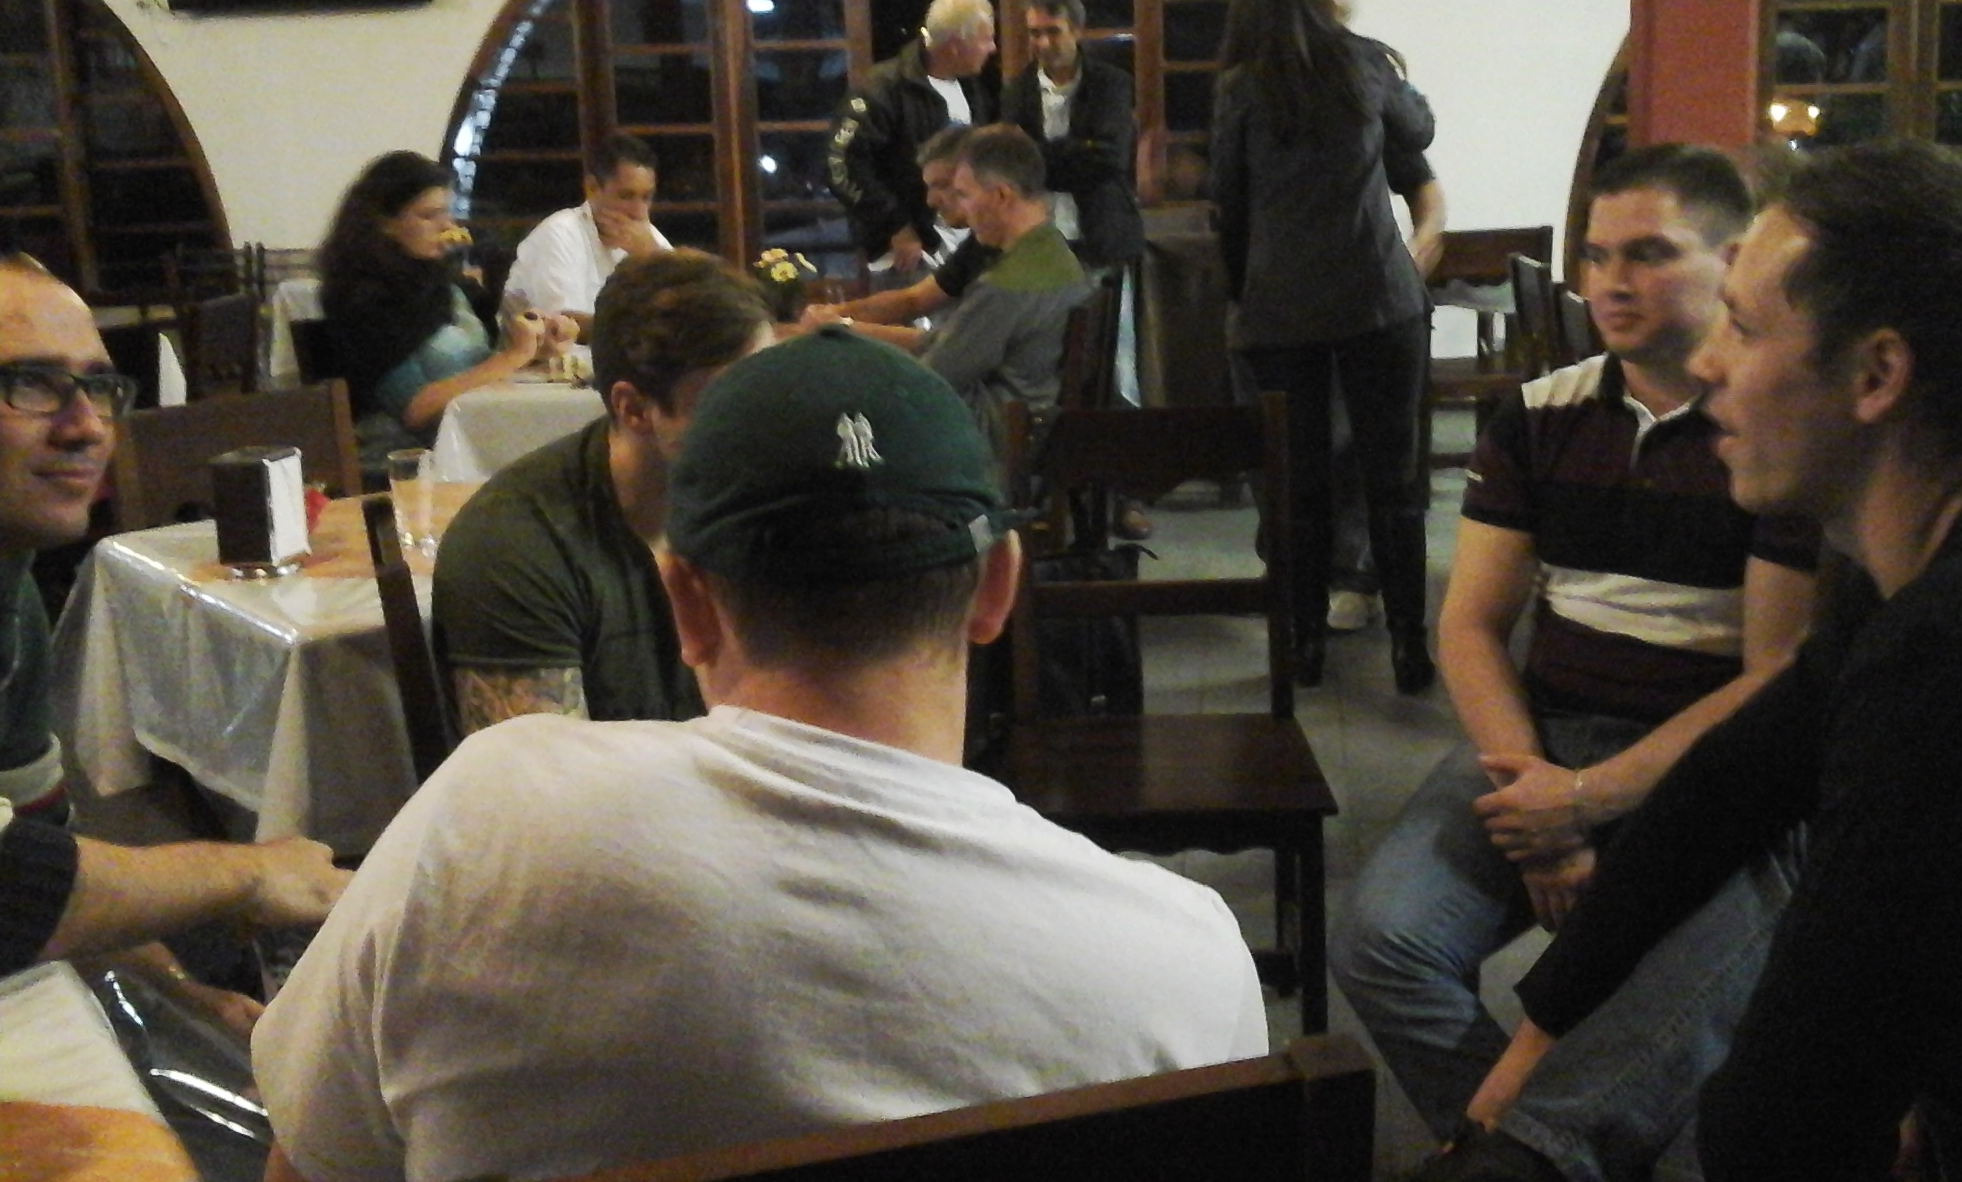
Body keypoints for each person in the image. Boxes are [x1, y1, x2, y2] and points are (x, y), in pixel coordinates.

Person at [253, 326, 1265, 1181]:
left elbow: (306, 1165)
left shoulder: (476, 823)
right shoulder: (1183, 966)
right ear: (998, 587)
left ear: (687, 605)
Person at [1441, 139, 1962, 1182]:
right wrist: (1540, 1028)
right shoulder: (1916, 552)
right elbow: (1727, 787)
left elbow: (1799, 1094)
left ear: (1875, 375)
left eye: (1746, 326)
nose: (1710, 363)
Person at [1330, 145, 1820, 1171]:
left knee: (1634, 1029)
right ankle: (1523, 1156)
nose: (1610, 281)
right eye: (1595, 256)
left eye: (1649, 254)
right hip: (1545, 735)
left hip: (1711, 767)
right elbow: (1470, 627)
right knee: (1383, 944)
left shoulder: (1770, 431)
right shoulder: (1541, 413)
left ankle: (1521, 1157)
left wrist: (1590, 800)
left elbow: (1773, 675)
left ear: (1734, 262)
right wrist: (1540, 803)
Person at [0, 254, 348, 984]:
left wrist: (191, 998)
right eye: (31, 383)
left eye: (98, 387)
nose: (86, 427)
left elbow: (43, 856)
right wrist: (248, 873)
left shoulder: (16, 596)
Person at [1209, 0, 1446, 690]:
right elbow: (1420, 132)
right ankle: (1408, 648)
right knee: (1393, 482)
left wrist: (1243, 291)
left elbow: (1229, 205)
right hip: (1379, 297)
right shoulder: (1364, 63)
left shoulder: (1240, 87)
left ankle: (1305, 644)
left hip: (1283, 309)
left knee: (1299, 488)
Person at [433, 250, 773, 729]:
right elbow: (536, 771)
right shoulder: (513, 544)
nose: (764, 425)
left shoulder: (769, 502)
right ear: (634, 409)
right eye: (731, 405)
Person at [318, 151, 573, 475]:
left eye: (446, 213)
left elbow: (481, 364)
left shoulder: (441, 281)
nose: (447, 226)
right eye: (429, 215)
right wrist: (512, 357)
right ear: (384, 223)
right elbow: (415, 409)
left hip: (475, 431)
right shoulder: (365, 298)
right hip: (411, 458)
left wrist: (538, 347)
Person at [916, 124, 1094, 444]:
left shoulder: (1006, 285)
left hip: (998, 438)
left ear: (1000, 196)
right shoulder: (1055, 252)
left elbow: (931, 377)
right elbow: (953, 343)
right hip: (1039, 427)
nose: (962, 209)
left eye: (964, 195)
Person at [826, 0, 995, 283]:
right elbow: (839, 165)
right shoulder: (882, 88)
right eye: (986, 38)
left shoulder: (971, 88)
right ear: (956, 45)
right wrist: (895, 226)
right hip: (908, 256)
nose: (992, 48)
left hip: (965, 251)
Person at [1000, 0, 1142, 270]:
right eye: (1035, 33)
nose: (1043, 43)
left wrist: (1038, 156)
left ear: (1076, 30)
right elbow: (1013, 166)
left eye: (1053, 31)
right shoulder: (1015, 92)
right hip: (1038, 239)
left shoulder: (1110, 85)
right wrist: (1078, 149)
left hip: (1102, 235)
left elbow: (1110, 158)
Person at [806, 126, 989, 350]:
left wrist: (842, 326)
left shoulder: (1013, 252)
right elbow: (914, 299)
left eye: (942, 185)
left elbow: (953, 346)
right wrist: (833, 313)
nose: (930, 200)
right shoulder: (981, 243)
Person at [500, 132, 671, 334]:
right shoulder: (559, 232)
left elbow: (687, 309)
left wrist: (651, 258)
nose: (639, 211)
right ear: (592, 188)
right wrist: (638, 331)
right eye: (626, 196)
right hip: (544, 352)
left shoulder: (648, 237)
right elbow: (561, 326)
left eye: (646, 197)